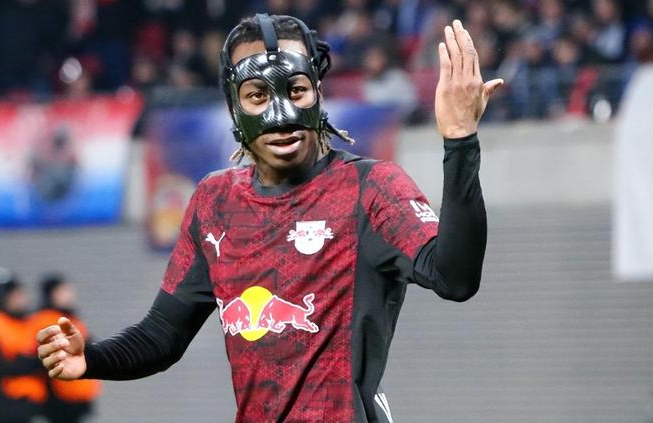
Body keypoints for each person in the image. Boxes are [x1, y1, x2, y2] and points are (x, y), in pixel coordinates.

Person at [37, 14, 503, 422]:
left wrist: (460, 141)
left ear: (318, 92)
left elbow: (455, 277)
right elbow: (163, 334)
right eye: (258, 94)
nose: (280, 114)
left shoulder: (370, 188)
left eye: (295, 89)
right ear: (234, 105)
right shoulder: (214, 202)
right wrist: (92, 359)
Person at [29, 273, 102, 423]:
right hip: (60, 396)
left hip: (77, 391)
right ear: (51, 294)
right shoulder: (45, 319)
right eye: (63, 291)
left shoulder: (70, 318)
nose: (69, 295)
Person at [0, 268, 47, 423]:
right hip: (6, 403)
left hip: (28, 402)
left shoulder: (25, 322)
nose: (20, 299)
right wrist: (31, 362)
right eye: (14, 295)